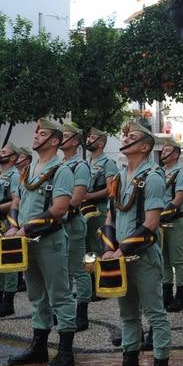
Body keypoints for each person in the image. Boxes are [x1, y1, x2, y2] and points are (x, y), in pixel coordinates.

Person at [96, 120, 172, 366]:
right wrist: (108, 247)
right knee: (127, 314)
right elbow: (110, 216)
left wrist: (122, 249)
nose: (125, 137)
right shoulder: (119, 176)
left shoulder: (152, 176)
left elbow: (151, 222)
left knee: (155, 314)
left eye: (133, 136)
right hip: (120, 255)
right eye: (124, 134)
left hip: (143, 255)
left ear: (144, 146)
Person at [6, 118, 76, 366]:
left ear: (55, 141)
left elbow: (59, 208)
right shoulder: (28, 169)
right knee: (36, 294)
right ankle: (39, 347)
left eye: (42, 133)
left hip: (49, 239)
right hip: (26, 239)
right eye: (36, 134)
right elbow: (16, 202)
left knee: (59, 293)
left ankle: (66, 351)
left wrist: (25, 228)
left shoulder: (62, 170)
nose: (35, 137)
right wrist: (14, 225)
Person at [79, 127, 118, 327]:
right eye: (89, 136)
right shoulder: (86, 163)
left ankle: (101, 286)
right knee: (86, 247)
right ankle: (90, 284)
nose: (89, 139)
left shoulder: (107, 163)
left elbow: (111, 189)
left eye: (93, 137)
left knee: (98, 246)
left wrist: (89, 197)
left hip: (100, 208)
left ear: (101, 142)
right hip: (85, 208)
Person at [57, 122, 94, 328]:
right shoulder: (59, 164)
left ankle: (82, 312)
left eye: (65, 136)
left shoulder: (80, 166)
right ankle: (63, 310)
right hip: (58, 224)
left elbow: (77, 198)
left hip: (71, 222)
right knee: (62, 270)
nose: (61, 138)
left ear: (74, 142)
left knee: (79, 269)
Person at [0, 144, 21, 319]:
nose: (0, 154)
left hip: (6, 221)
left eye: (4, 152)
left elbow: (17, 200)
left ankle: (8, 301)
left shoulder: (15, 175)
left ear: (13, 158)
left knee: (8, 262)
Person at [157, 136, 183, 312]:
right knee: (164, 259)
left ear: (176, 154)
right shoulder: (160, 172)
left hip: (174, 220)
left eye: (167, 150)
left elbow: (178, 199)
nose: (163, 152)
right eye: (163, 150)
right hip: (160, 221)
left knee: (177, 259)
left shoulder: (181, 173)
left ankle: (180, 295)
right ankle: (167, 293)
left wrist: (161, 214)